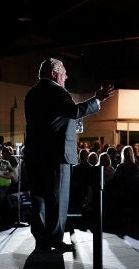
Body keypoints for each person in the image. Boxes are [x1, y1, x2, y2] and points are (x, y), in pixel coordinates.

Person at [23, 57, 115, 251]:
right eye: (64, 72)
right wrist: (98, 99)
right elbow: (74, 111)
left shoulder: (32, 93)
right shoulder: (57, 91)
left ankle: (41, 239)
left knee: (39, 198)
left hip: (35, 154)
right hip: (57, 155)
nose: (66, 76)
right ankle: (55, 238)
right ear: (54, 73)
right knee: (57, 198)